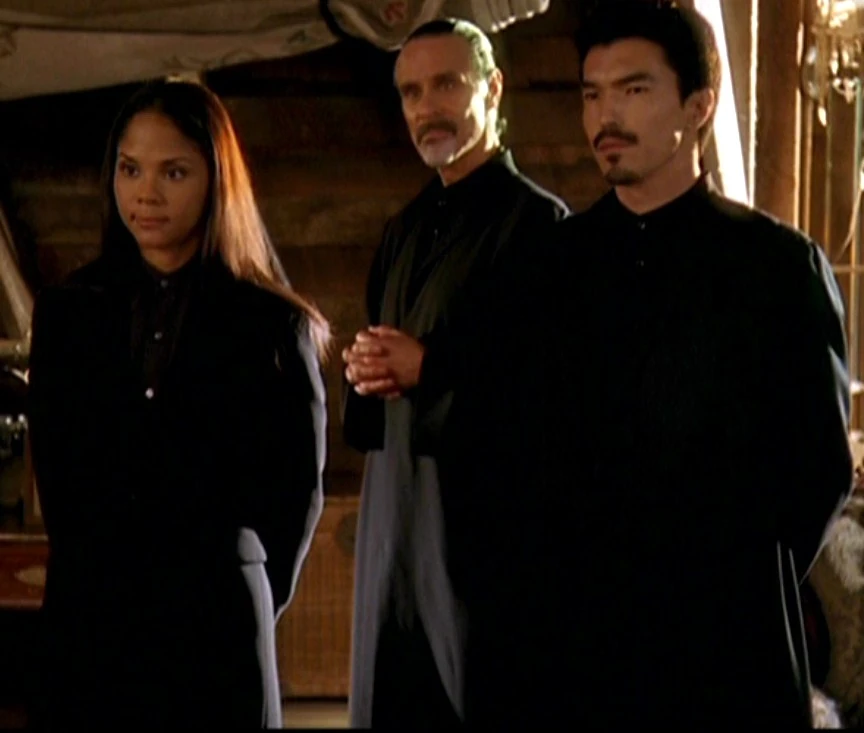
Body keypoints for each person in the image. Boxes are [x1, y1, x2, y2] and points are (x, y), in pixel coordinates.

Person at [364, 1, 855, 726]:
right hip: (577, 645)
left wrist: (725, 572)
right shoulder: (548, 267)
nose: (605, 116)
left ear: (698, 106)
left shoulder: (776, 267)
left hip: (724, 640)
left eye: (634, 89)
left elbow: (817, 471)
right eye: (592, 95)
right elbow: (509, 435)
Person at [26, 78, 328, 729]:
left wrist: (242, 597)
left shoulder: (271, 323)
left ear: (216, 179)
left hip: (217, 633)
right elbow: (58, 479)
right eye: (130, 168)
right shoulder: (68, 311)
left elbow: (294, 493)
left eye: (174, 172)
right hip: (92, 630)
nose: (146, 193)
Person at [341, 17, 570, 728]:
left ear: (492, 88)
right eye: (411, 92)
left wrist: (431, 366)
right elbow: (381, 399)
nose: (426, 108)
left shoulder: (539, 227)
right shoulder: (405, 229)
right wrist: (366, 367)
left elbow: (553, 400)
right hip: (396, 532)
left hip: (483, 552)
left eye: (446, 85)